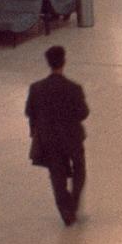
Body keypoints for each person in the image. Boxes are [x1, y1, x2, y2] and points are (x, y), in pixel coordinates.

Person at [25, 45, 90, 226]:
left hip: (49, 139)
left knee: (57, 176)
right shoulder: (74, 88)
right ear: (64, 62)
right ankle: (73, 204)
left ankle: (65, 211)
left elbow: (30, 112)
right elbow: (83, 113)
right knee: (79, 171)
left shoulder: (36, 88)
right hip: (72, 138)